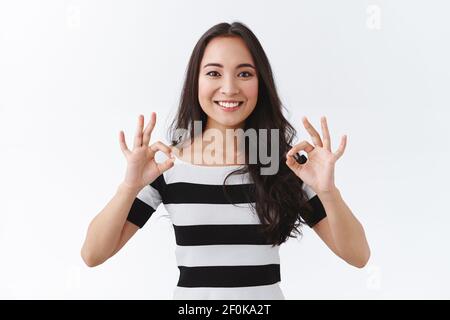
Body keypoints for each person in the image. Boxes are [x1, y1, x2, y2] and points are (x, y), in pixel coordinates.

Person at [81, 22, 370, 300]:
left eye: (244, 74)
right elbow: (93, 254)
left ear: (261, 82)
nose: (229, 88)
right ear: (196, 81)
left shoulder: (286, 164)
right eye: (214, 73)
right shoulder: (167, 165)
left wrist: (329, 192)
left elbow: (358, 256)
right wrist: (128, 187)